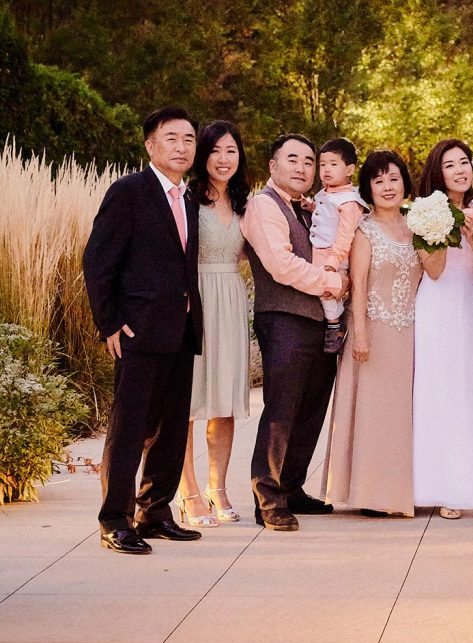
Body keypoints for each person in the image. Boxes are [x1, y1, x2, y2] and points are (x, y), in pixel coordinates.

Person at [83, 106, 204, 554]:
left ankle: (154, 511)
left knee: (172, 428)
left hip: (182, 329)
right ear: (150, 145)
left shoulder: (189, 198)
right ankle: (115, 519)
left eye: (189, 139)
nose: (182, 146)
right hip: (136, 330)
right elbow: (97, 262)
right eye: (171, 138)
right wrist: (109, 321)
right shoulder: (128, 191)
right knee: (129, 428)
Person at [240, 134, 344, 531]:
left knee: (311, 408)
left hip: (318, 322)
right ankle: (267, 498)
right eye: (293, 160)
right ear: (273, 166)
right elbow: (281, 266)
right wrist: (331, 283)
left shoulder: (309, 209)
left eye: (308, 162)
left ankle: (292, 486)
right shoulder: (263, 206)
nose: (302, 168)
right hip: (284, 318)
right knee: (282, 409)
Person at [322, 151, 423, 517]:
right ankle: (371, 493)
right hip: (375, 331)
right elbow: (359, 285)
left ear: (404, 183)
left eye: (393, 178)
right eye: (378, 181)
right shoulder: (364, 230)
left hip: (411, 332)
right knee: (374, 415)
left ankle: (402, 490)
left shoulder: (419, 226)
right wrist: (360, 334)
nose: (387, 187)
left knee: (403, 416)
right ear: (367, 188)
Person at [411, 139, 473, 520]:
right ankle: (427, 486)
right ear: (438, 172)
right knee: (434, 393)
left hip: (465, 307)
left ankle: (458, 486)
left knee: (464, 393)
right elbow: (434, 269)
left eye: (465, 162)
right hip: (434, 307)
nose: (461, 170)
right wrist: (445, 225)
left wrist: (472, 231)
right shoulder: (426, 210)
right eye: (451, 165)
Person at [176, 120, 251, 527]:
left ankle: (217, 488)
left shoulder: (246, 203)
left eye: (232, 151)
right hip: (196, 300)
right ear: (203, 155)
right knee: (188, 402)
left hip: (232, 299)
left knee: (223, 403)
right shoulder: (186, 200)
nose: (224, 160)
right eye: (216, 151)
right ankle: (188, 492)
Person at [310, 137, 368, 353]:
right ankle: (334, 316)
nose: (326, 169)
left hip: (334, 254)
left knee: (325, 289)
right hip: (322, 250)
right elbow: (323, 210)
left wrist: (334, 261)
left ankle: (335, 323)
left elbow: (345, 236)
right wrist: (310, 206)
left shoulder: (349, 201)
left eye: (333, 164)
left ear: (350, 169)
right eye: (322, 164)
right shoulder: (328, 193)